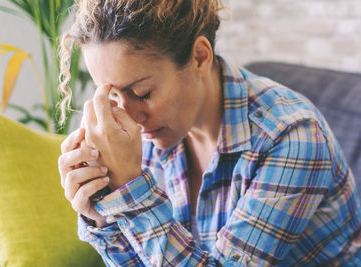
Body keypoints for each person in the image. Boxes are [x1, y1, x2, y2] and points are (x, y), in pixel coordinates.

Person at [57, 0, 361, 266]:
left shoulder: (290, 135)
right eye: (112, 97)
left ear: (200, 57)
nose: (131, 118)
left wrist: (132, 190)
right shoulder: (153, 129)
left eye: (142, 92)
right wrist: (104, 215)